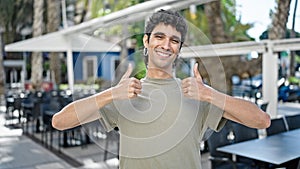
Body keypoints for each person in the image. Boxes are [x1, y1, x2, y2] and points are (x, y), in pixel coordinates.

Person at [52, 9, 270, 169]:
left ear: (179, 49)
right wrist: (111, 94)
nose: (166, 45)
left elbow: (261, 121)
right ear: (146, 41)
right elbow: (60, 122)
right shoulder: (125, 93)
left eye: (174, 40)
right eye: (159, 37)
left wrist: (209, 94)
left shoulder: (196, 92)